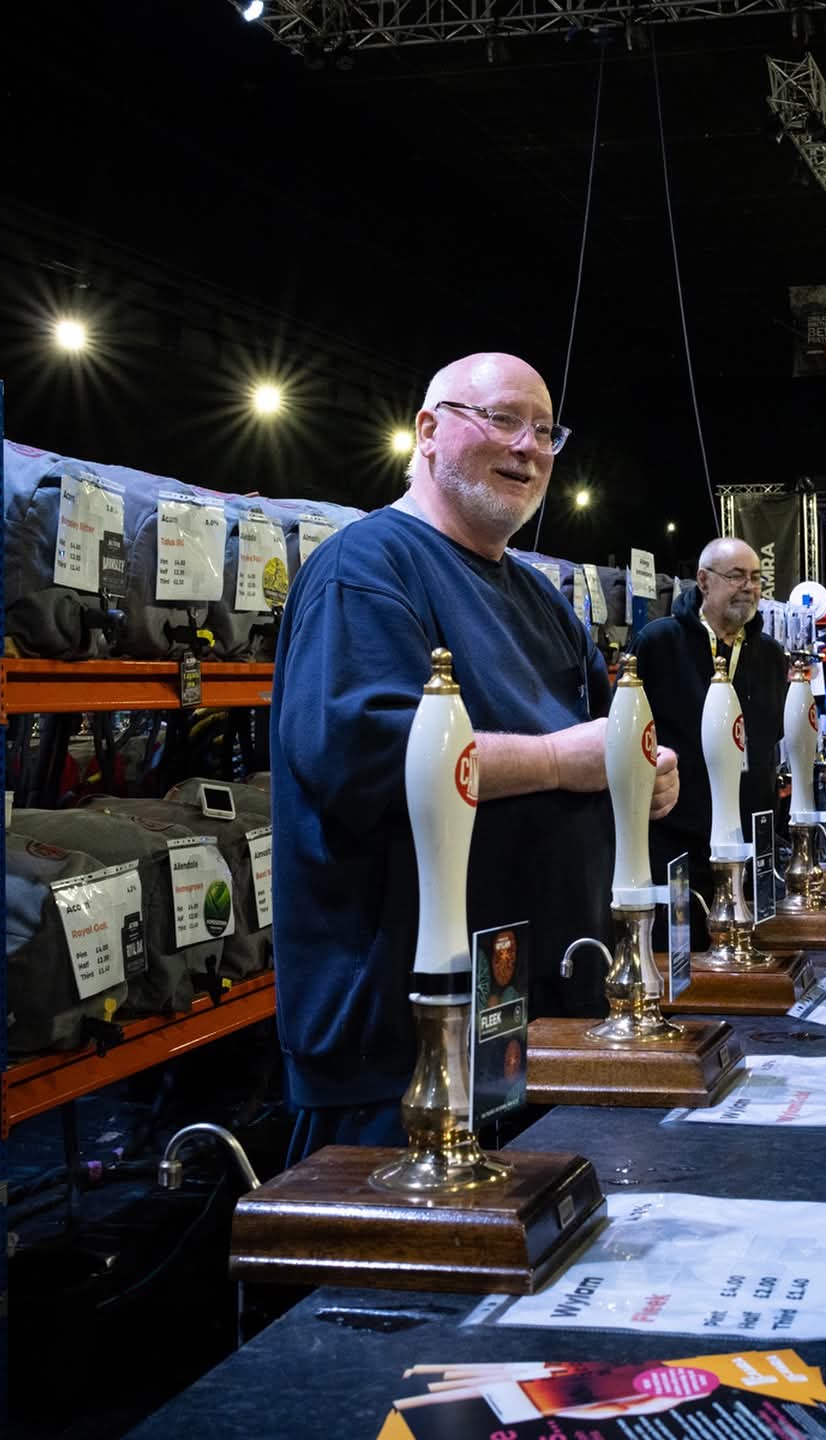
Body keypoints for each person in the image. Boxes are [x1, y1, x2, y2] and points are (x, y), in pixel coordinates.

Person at [270, 352, 678, 1161]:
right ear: (427, 430)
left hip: (534, 1019)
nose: (529, 446)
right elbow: (368, 760)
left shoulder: (537, 598)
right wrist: (566, 760)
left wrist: (642, 776)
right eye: (501, 419)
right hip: (404, 1050)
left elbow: (605, 739)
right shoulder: (367, 568)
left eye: (545, 430)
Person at [634, 537, 786, 941]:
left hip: (752, 845)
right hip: (680, 843)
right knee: (685, 967)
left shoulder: (771, 655)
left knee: (750, 960)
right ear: (703, 580)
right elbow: (629, 740)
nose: (749, 587)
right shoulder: (659, 644)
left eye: (756, 578)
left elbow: (772, 740)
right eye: (736, 576)